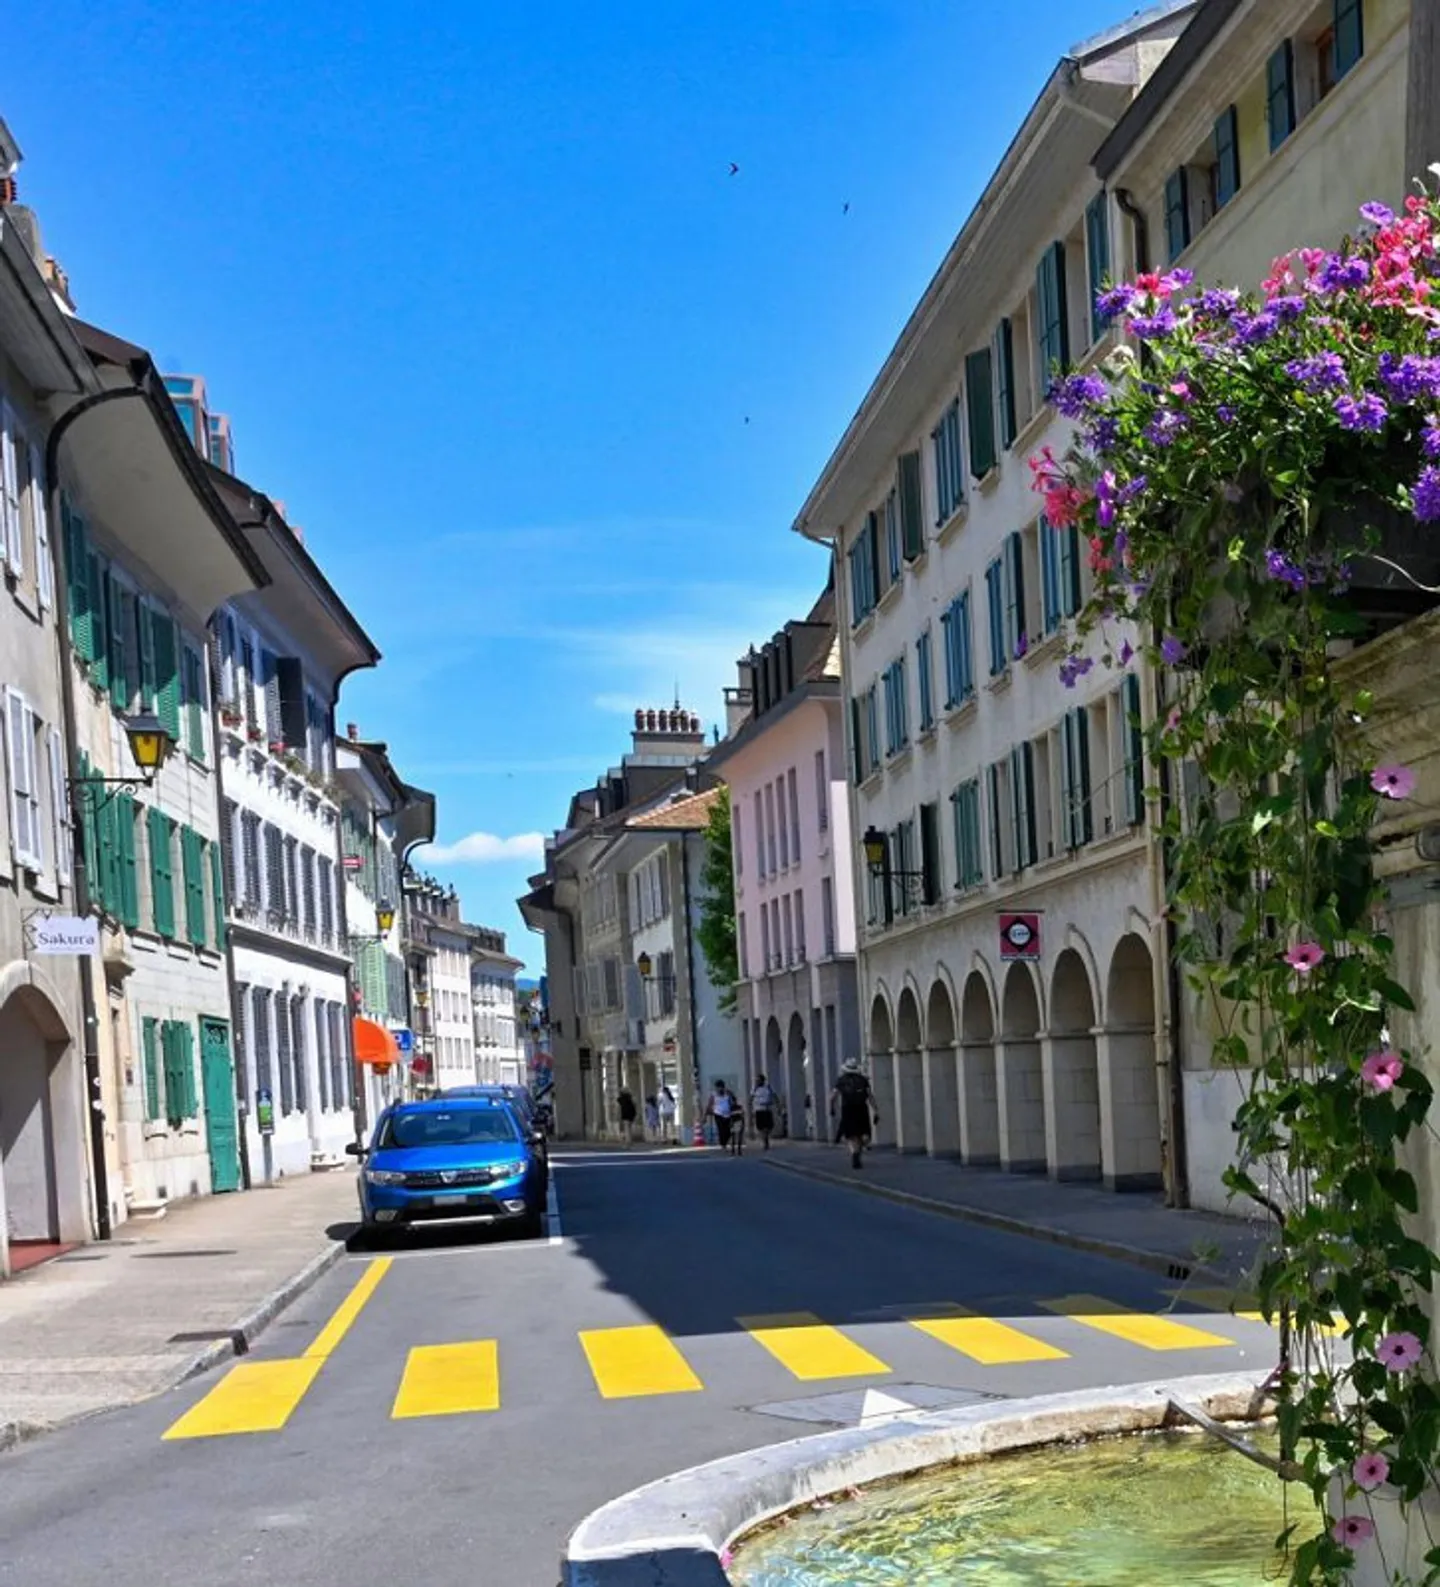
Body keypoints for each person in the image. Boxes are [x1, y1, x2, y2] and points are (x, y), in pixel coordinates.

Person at [830, 1058, 878, 1170]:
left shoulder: (841, 1080)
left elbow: (833, 1096)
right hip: (862, 1108)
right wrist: (875, 1110)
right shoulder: (863, 1080)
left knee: (851, 1135)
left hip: (847, 1109)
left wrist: (831, 1108)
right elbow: (870, 1096)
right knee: (863, 1131)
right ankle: (864, 1143)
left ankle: (855, 1154)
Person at [705, 1079, 742, 1155]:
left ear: (723, 1087)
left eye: (721, 1087)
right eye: (718, 1088)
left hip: (727, 1114)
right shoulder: (714, 1095)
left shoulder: (727, 1094)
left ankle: (724, 1142)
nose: (719, 1089)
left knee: (728, 1130)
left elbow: (734, 1101)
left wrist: (732, 1096)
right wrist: (705, 1116)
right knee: (721, 1129)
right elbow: (709, 1105)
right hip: (718, 1114)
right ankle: (723, 1144)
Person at [750, 1074, 778, 1150]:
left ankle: (766, 1137)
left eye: (759, 1080)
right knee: (761, 1127)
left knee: (769, 1126)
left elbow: (774, 1096)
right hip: (759, 1109)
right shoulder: (754, 1089)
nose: (757, 1082)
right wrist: (751, 1109)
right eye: (756, 1080)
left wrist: (777, 1105)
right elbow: (751, 1098)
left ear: (762, 1081)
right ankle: (765, 1141)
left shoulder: (768, 1087)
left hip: (767, 1108)